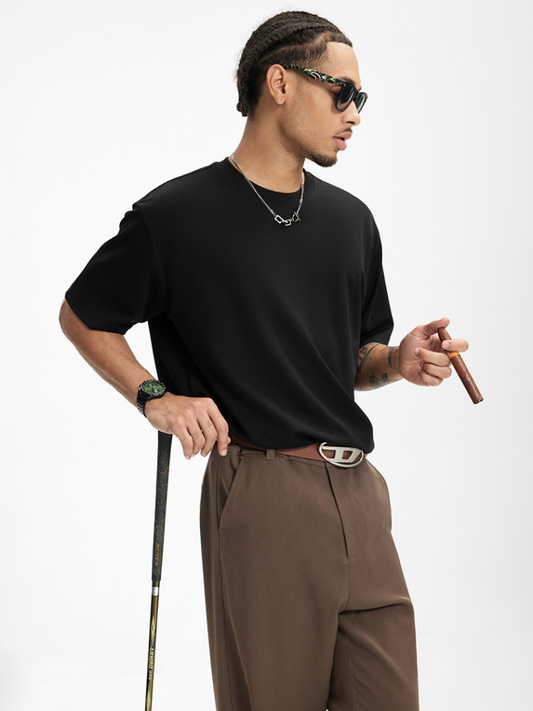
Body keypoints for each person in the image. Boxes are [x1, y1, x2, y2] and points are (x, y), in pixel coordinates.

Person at [59, 10, 469, 711]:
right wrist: (155, 396)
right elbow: (83, 314)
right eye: (342, 93)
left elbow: (352, 358)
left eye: (360, 99)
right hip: (263, 492)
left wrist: (397, 360)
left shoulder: (351, 221)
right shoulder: (175, 217)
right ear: (280, 83)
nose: (354, 114)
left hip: (361, 494)